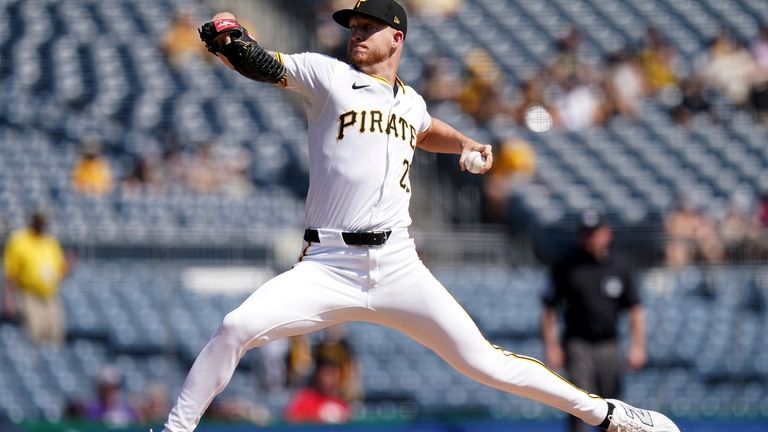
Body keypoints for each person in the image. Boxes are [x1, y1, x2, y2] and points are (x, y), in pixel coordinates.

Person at [159, 2, 680, 431]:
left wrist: (467, 142)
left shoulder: (409, 102)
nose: (356, 35)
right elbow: (267, 65)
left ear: (397, 39)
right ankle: (177, 429)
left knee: (484, 362)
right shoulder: (328, 76)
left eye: (368, 27)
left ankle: (608, 414)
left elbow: (424, 127)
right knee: (234, 327)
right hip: (328, 262)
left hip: (398, 262)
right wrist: (230, 41)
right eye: (353, 27)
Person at [541, 211, 647, 432]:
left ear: (606, 234)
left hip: (609, 344)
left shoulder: (620, 265)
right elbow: (549, 309)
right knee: (580, 403)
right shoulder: (566, 265)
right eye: (585, 233)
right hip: (578, 344)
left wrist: (637, 346)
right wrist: (551, 346)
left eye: (593, 233)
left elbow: (635, 309)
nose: (589, 238)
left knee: (613, 407)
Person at [2, 210, 69, 345]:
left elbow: (60, 270)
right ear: (32, 221)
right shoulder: (19, 241)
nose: (42, 225)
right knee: (35, 333)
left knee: (56, 334)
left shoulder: (50, 242)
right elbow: (10, 274)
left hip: (50, 295)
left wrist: (67, 268)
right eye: (39, 221)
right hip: (29, 294)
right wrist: (8, 299)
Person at [284, 357, 352, 424]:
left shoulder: (341, 403)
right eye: (327, 374)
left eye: (333, 374)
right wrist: (318, 418)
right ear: (318, 376)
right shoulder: (305, 399)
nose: (330, 380)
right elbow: (290, 417)